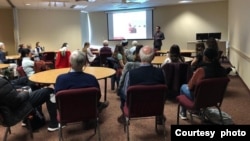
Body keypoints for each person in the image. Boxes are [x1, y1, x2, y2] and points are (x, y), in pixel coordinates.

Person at [118, 45, 166, 124]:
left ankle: (124, 115)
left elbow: (126, 94)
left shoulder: (130, 74)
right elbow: (164, 94)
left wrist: (120, 90)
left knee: (121, 92)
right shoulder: (161, 72)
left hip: (135, 109)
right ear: (153, 57)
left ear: (139, 56)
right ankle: (159, 116)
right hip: (156, 108)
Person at [179, 47, 227, 120]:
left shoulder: (201, 71)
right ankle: (197, 110)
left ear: (206, 57)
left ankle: (184, 112)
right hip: (215, 99)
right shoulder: (223, 71)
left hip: (199, 99)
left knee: (183, 87)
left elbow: (190, 86)